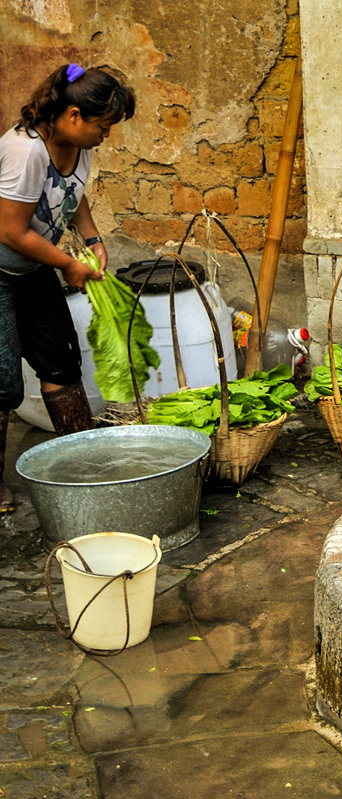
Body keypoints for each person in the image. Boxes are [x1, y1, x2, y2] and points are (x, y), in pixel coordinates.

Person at [0, 63, 136, 513]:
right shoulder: (25, 152)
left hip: (31, 266)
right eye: (103, 126)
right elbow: (12, 231)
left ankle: (82, 464)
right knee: (2, 383)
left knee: (60, 360)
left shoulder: (79, 146)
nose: (106, 135)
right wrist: (69, 266)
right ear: (74, 115)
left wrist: (93, 241)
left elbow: (74, 199)